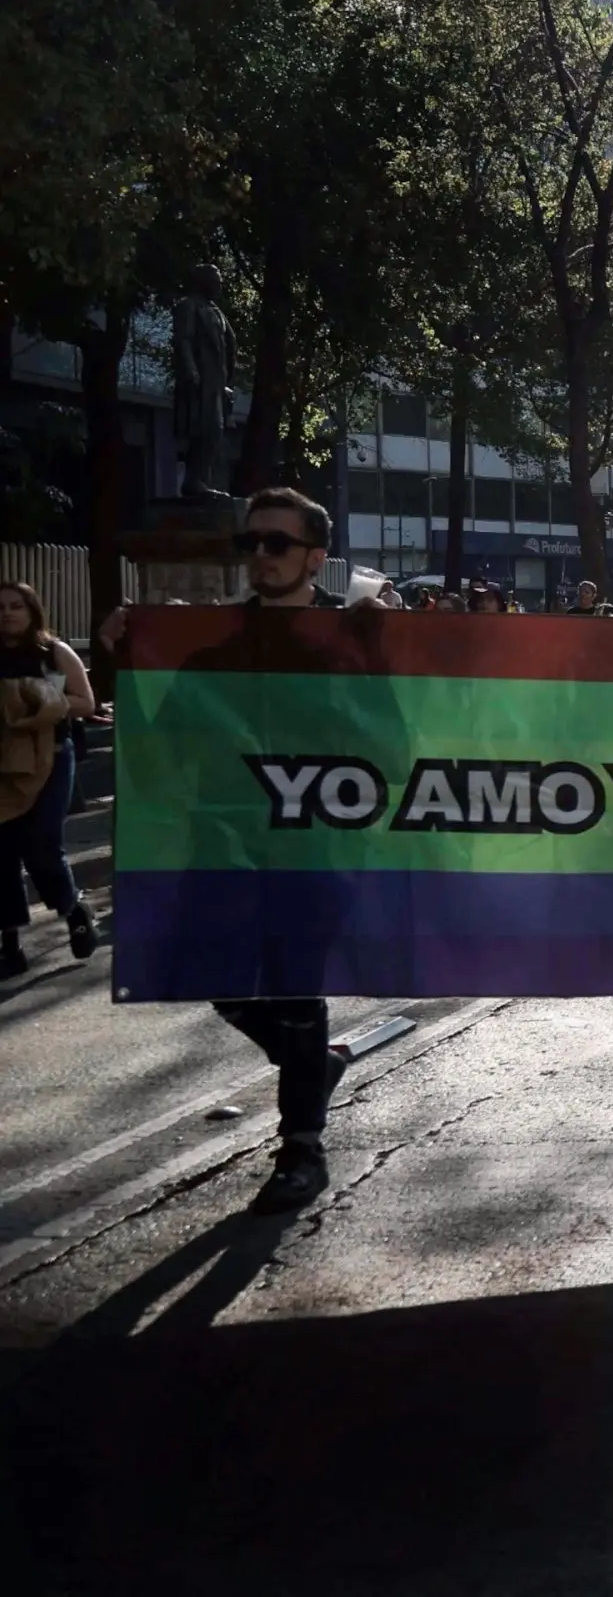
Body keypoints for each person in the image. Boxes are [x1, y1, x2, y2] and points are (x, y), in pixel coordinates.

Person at [96, 487, 367, 1213]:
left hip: (316, 849)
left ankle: (301, 1149)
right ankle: (311, 1066)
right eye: (250, 543)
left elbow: (393, 744)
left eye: (275, 543)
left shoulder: (353, 643)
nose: (259, 556)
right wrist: (128, 654)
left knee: (294, 988)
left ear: (315, 556)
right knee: (205, 973)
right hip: (220, 847)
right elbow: (162, 749)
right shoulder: (207, 644)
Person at [0, 582, 99, 977]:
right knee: (1, 850)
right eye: (1, 607)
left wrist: (37, 700)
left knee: (42, 843)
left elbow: (86, 703)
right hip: (2, 763)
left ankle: (74, 911)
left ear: (32, 611)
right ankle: (9, 943)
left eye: (15, 606)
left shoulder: (53, 653)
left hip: (51, 759)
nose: (7, 613)